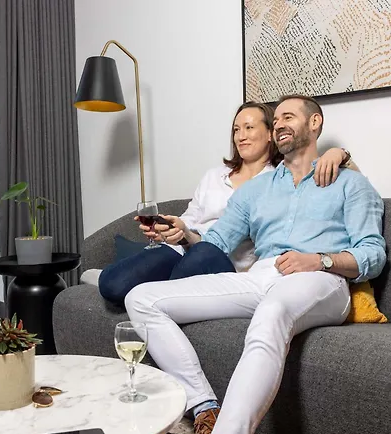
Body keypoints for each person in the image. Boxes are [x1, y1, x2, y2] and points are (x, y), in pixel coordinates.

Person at [124, 95, 386, 434]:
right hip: (260, 276)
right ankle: (204, 404)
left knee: (272, 312)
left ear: (315, 123)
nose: (279, 125)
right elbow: (216, 241)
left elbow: (373, 254)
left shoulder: (350, 184)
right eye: (275, 121)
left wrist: (321, 259)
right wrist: (181, 232)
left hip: (323, 280)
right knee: (141, 298)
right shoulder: (257, 190)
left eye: (288, 117)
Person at [99, 102, 356, 306]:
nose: (241, 136)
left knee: (203, 253)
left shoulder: (280, 180)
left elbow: (340, 178)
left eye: (249, 128)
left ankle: (154, 296)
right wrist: (175, 229)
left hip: (224, 266)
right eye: (236, 129)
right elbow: (191, 217)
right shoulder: (214, 175)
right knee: (111, 283)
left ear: (270, 134)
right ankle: (147, 287)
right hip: (185, 250)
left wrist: (340, 153)